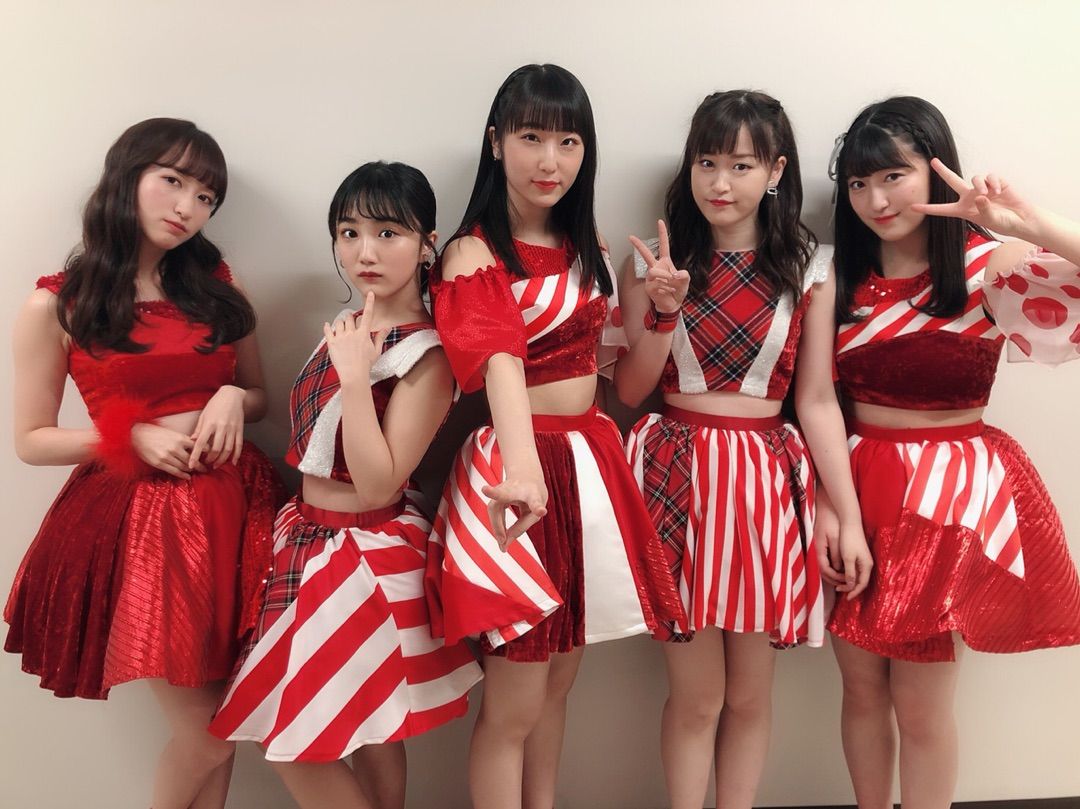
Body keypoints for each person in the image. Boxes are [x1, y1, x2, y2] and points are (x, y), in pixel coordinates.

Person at [424, 63, 684, 809]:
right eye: (531, 137)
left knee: (558, 685)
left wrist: (664, 313)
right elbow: (498, 364)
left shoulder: (586, 246)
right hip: (515, 473)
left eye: (569, 142)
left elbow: (624, 385)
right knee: (514, 700)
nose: (550, 160)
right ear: (495, 142)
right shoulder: (472, 253)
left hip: (588, 465)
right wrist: (523, 470)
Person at [4, 117, 282, 809]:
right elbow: (31, 440)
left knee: (229, 719)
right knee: (209, 732)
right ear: (126, 177)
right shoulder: (56, 303)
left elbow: (258, 395)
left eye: (206, 196)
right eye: (174, 181)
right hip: (146, 527)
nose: (189, 206)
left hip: (237, 507)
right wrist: (127, 437)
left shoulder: (219, 285)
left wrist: (230, 396)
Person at [616, 90, 868, 809]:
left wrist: (846, 515)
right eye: (706, 162)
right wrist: (663, 311)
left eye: (741, 164)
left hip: (764, 481)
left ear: (776, 171)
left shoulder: (809, 268)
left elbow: (816, 400)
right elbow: (631, 389)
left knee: (751, 696)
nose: (720, 183)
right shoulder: (654, 263)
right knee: (697, 697)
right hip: (676, 476)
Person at [826, 95, 1080, 809]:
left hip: (950, 495)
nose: (876, 200)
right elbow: (813, 401)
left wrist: (1025, 225)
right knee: (860, 689)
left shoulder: (985, 267)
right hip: (855, 486)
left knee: (923, 705)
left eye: (893, 176)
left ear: (936, 170)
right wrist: (829, 506)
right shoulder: (836, 279)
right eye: (858, 183)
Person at [209, 161, 482, 809]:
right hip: (308, 539)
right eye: (349, 232)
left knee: (302, 743)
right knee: (374, 729)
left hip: (363, 553)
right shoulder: (352, 328)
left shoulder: (427, 354)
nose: (365, 252)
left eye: (388, 233)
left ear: (427, 244)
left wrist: (357, 379)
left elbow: (379, 482)